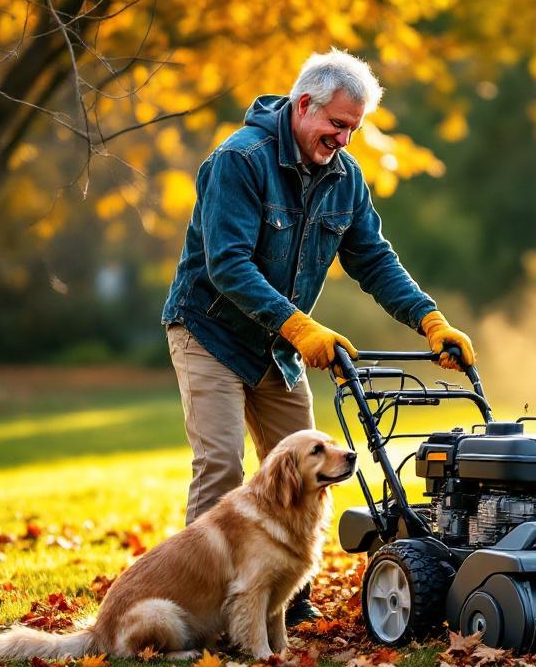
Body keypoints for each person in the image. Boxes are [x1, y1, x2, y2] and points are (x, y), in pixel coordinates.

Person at [161, 49, 474, 625]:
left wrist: (429, 320)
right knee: (222, 466)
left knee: (310, 466)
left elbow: (373, 259)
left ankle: (283, 594)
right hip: (209, 329)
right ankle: (203, 608)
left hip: (276, 347)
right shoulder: (240, 161)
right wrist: (300, 325)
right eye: (337, 125)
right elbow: (227, 265)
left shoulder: (345, 178)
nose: (345, 140)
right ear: (304, 105)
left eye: (354, 129)